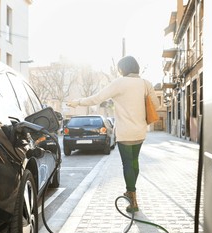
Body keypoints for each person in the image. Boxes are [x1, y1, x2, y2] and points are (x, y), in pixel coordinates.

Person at [67, 56, 160, 212]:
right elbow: (157, 104)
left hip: (124, 131)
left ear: (122, 69)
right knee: (135, 162)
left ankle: (133, 199)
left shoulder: (119, 83)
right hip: (140, 130)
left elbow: (97, 98)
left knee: (127, 164)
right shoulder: (145, 83)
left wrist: (77, 102)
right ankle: (131, 191)